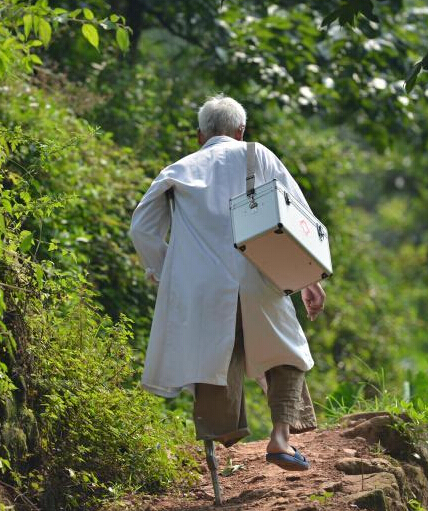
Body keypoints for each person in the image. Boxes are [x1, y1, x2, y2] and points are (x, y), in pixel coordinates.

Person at [129, 94, 326, 471]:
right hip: (259, 274)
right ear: (240, 130)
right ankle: (280, 441)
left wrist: (167, 270)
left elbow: (142, 228)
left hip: (200, 286)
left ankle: (224, 439)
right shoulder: (257, 155)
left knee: (215, 356)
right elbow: (299, 216)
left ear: (200, 136)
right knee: (288, 353)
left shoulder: (179, 169)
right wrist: (308, 277)